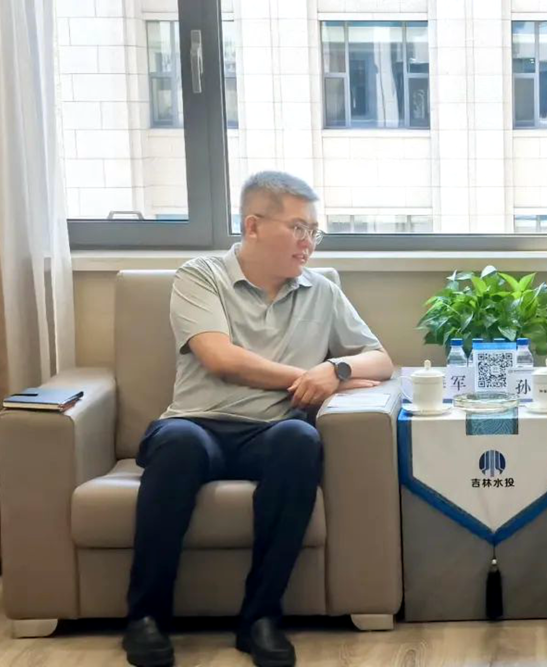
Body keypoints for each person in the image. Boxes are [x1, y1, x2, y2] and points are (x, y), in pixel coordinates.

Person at [122, 171, 394, 667]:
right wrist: (310, 380)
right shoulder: (200, 276)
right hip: (197, 423)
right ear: (252, 226)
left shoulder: (321, 290)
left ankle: (260, 619)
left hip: (270, 432)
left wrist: (337, 370)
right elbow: (221, 359)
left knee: (299, 440)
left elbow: (380, 359)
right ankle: (146, 618)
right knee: (178, 443)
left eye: (315, 231)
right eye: (298, 228)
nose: (308, 242)